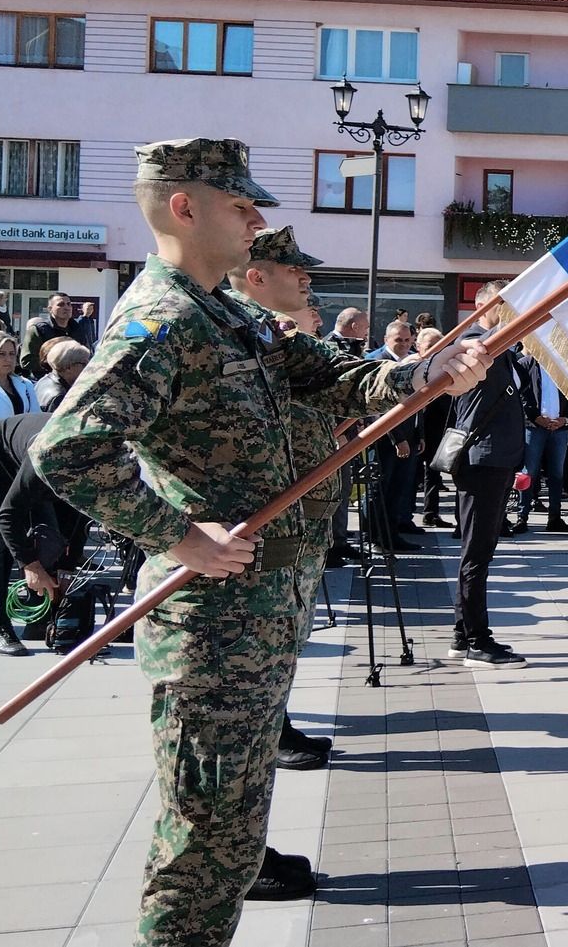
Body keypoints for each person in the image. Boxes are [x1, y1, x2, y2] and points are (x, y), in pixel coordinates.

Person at [28, 137, 489, 945]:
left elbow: (332, 374)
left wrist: (427, 373)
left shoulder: (230, 314)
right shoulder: (161, 321)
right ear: (184, 207)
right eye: (240, 206)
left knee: (235, 836)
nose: (256, 222)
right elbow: (68, 448)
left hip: (260, 613)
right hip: (210, 626)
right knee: (203, 845)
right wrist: (177, 535)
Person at [226, 226, 350, 777]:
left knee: (290, 635)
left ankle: (277, 722)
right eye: (294, 269)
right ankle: (268, 732)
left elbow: (339, 391)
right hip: (263, 524)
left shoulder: (276, 339)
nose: (306, 279)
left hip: (305, 517)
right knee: (262, 646)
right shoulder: (242, 337)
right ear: (256, 276)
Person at [445, 282, 529, 667]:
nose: (511, 310)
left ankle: (463, 635)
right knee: (476, 554)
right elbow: (478, 349)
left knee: (479, 552)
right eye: (503, 303)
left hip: (497, 461)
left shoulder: (503, 350)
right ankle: (478, 641)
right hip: (482, 462)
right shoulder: (476, 345)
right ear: (481, 306)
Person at [0, 413, 67, 655]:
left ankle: (40, 620)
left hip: (20, 465)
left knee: (51, 538)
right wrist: (31, 565)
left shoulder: (99, 458)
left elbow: (77, 518)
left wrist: (67, 567)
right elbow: (7, 517)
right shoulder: (48, 451)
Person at [368, 320, 425, 550]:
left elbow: (419, 402)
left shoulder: (413, 362)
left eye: (407, 340)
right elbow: (379, 407)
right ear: (386, 340)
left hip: (410, 436)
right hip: (386, 440)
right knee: (381, 489)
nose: (403, 344)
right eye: (398, 340)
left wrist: (419, 434)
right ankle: (377, 538)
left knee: (399, 488)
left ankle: (392, 535)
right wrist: (398, 439)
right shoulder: (377, 361)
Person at [514, 346, 568, 533]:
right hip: (534, 427)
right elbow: (520, 396)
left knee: (557, 474)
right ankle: (522, 517)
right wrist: (535, 417)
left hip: (559, 428)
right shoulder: (525, 364)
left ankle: (555, 518)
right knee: (528, 473)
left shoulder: (564, 366)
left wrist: (565, 419)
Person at [414, 327, 454, 528]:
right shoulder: (413, 366)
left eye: (440, 346)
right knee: (412, 474)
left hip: (440, 427)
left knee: (433, 472)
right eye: (431, 346)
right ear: (419, 346)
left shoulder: (446, 369)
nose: (436, 350)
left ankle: (430, 512)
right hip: (416, 429)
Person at [19, 293, 97, 377]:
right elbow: (26, 361)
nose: (66, 308)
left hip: (75, 380)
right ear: (50, 309)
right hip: (48, 379)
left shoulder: (78, 329)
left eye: (68, 304)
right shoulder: (39, 330)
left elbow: (87, 355)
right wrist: (56, 364)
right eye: (61, 305)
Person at [0, 333, 39, 424]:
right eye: (1, 354)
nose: (8, 359)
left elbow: (36, 418)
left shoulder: (26, 384)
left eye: (12, 354)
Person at [33, 339, 92, 411]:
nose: (89, 367)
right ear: (68, 367)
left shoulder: (44, 380)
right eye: (84, 364)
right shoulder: (60, 398)